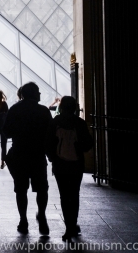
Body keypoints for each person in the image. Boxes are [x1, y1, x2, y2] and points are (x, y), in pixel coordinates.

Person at [3, 82, 52, 235]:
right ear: (33, 94)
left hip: (19, 154)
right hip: (37, 155)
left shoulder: (14, 109)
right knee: (42, 189)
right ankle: (41, 215)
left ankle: (23, 220)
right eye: (38, 91)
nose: (40, 94)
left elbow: (7, 132)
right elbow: (50, 134)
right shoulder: (43, 111)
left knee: (21, 189)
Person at [45, 95, 93, 242]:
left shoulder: (55, 122)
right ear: (74, 108)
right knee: (74, 194)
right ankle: (72, 225)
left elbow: (48, 143)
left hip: (60, 165)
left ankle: (68, 227)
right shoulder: (80, 123)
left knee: (64, 196)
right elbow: (88, 144)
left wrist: (53, 158)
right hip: (76, 164)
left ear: (61, 107)